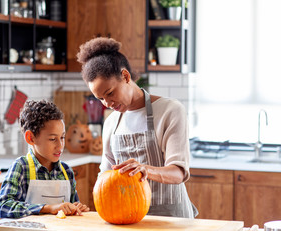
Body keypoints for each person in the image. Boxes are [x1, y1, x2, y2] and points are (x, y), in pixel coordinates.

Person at [76, 37, 198, 218]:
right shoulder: (111, 123)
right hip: (128, 220)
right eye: (100, 98)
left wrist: (145, 169)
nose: (107, 103)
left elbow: (178, 172)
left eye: (109, 93)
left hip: (171, 220)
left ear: (125, 76)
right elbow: (106, 174)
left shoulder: (169, 111)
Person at [0, 99, 89, 218]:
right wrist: (47, 208)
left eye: (62, 137)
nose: (60, 145)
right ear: (31, 138)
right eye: (52, 139)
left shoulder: (66, 171)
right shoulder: (21, 167)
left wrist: (77, 208)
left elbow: (71, 208)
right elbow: (4, 207)